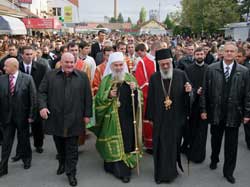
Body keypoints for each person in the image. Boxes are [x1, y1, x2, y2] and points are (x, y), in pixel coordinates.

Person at [38, 52, 92, 186]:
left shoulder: (82, 77)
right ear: (61, 62)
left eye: (71, 62)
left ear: (75, 63)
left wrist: (87, 115)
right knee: (60, 145)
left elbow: (88, 97)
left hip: (75, 118)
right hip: (56, 118)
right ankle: (62, 162)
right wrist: (42, 107)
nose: (69, 65)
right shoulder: (50, 75)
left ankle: (71, 173)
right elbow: (42, 92)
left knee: (72, 148)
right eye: (66, 62)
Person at [200, 42, 250, 184]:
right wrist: (203, 110)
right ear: (222, 53)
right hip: (216, 113)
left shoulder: (244, 71)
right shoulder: (211, 69)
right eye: (226, 51)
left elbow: (248, 94)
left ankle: (229, 172)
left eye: (232, 51)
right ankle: (214, 158)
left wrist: (247, 114)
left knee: (231, 145)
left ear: (236, 54)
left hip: (234, 114)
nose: (229, 53)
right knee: (215, 140)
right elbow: (205, 92)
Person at [92, 52, 142, 183]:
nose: (119, 68)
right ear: (111, 66)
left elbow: (139, 100)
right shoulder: (106, 80)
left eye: (121, 65)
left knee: (127, 142)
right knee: (112, 144)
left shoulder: (130, 78)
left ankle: (124, 170)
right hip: (111, 119)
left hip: (127, 118)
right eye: (116, 65)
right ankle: (112, 165)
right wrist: (108, 95)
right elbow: (98, 101)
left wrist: (135, 90)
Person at [145, 48, 192, 184]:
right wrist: (150, 118)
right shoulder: (154, 77)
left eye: (167, 63)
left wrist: (189, 92)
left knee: (173, 145)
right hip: (160, 119)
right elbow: (151, 99)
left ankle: (171, 172)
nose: (165, 66)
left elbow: (188, 96)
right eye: (162, 64)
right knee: (160, 145)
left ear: (172, 62)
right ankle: (160, 174)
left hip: (176, 118)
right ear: (158, 64)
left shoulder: (181, 75)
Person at [0, 58, 37, 177]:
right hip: (7, 117)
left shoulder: (27, 78)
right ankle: (3, 167)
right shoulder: (1, 79)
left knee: (24, 139)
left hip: (23, 117)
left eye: (6, 66)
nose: (4, 68)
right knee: (6, 142)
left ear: (14, 67)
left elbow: (33, 98)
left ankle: (27, 159)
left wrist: (32, 115)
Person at [184, 47, 208, 163]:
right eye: (197, 54)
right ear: (194, 55)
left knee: (202, 131)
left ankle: (200, 155)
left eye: (201, 54)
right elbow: (187, 85)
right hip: (192, 105)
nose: (199, 56)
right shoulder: (188, 69)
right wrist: (194, 91)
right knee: (192, 129)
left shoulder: (209, 69)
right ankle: (191, 152)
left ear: (204, 55)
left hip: (205, 105)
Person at [134, 43, 156, 153]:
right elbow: (141, 82)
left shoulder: (162, 61)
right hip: (149, 97)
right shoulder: (142, 62)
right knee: (148, 120)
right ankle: (150, 144)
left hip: (163, 97)